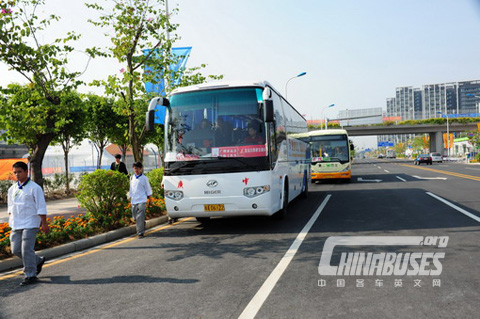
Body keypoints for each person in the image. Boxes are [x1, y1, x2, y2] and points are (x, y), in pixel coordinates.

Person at [8, 161, 49, 286]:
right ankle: (37, 261)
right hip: (16, 223)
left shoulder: (35, 188)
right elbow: (11, 207)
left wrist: (44, 223)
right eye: (15, 172)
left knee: (26, 249)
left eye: (19, 172)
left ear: (27, 172)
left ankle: (30, 275)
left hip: (31, 222)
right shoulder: (12, 189)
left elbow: (41, 206)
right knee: (15, 250)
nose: (17, 175)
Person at [129, 162, 153, 238]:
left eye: (138, 168)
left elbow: (148, 189)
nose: (136, 170)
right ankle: (142, 224)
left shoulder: (144, 178)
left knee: (140, 216)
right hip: (134, 200)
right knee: (135, 216)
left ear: (141, 169)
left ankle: (140, 232)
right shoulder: (132, 177)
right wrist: (130, 197)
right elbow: (131, 189)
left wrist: (150, 199)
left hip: (142, 200)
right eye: (135, 168)